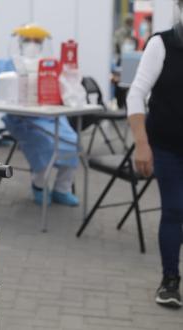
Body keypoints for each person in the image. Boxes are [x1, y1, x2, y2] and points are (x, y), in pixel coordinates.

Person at [126, 0, 183, 309]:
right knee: (175, 210)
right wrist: (141, 142)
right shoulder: (162, 43)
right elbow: (136, 94)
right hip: (166, 145)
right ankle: (170, 281)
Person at [0, 24, 80, 206]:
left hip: (49, 116)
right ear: (19, 42)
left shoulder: (49, 65)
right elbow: (0, 91)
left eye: (37, 41)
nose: (32, 44)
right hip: (21, 119)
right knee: (45, 143)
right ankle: (39, 186)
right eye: (28, 40)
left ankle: (62, 189)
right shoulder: (9, 64)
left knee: (72, 140)